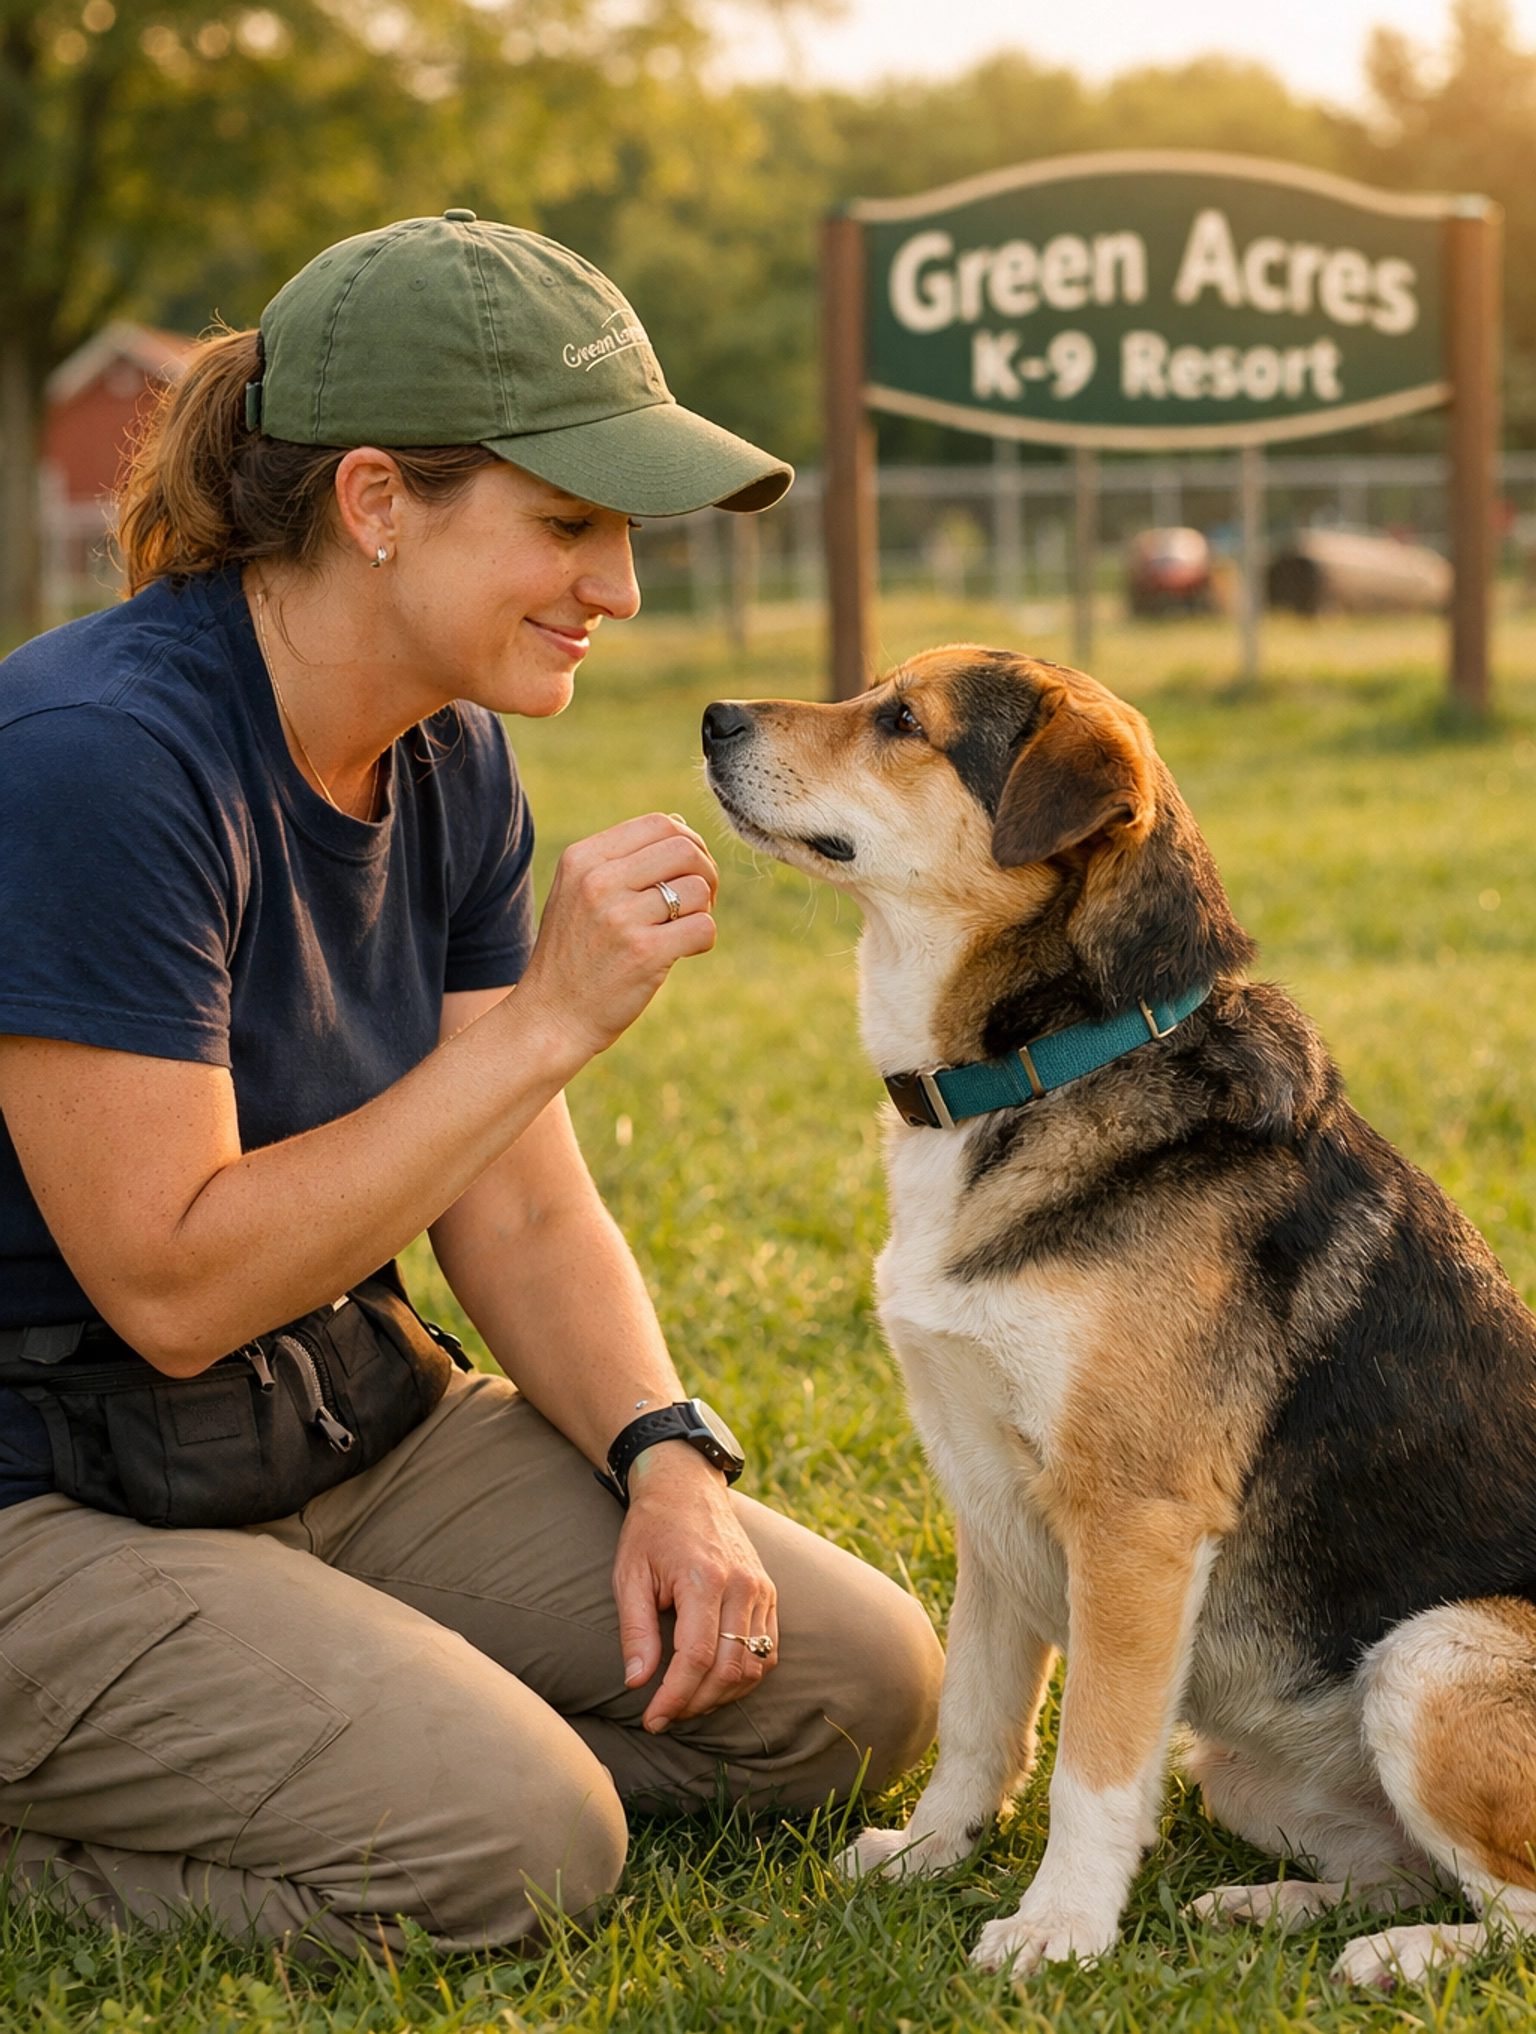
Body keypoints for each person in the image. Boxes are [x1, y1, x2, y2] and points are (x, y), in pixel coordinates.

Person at [0, 214, 941, 1959]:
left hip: (323, 1431)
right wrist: (543, 1025)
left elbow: (516, 1198)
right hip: (48, 1489)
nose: (621, 585)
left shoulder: (451, 750)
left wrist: (666, 1463)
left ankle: (339, 1731)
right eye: (567, 523)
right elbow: (174, 1285)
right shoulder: (98, 765)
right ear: (375, 502)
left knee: (854, 1691)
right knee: (520, 1853)